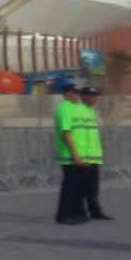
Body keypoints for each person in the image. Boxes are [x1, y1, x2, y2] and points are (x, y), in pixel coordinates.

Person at [53, 83, 92, 225]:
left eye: (78, 93)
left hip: (79, 154)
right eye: (75, 93)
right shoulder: (64, 109)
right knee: (69, 187)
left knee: (76, 187)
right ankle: (63, 215)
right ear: (67, 93)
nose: (77, 96)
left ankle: (74, 213)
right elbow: (65, 132)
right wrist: (74, 152)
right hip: (69, 155)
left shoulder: (74, 108)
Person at [78, 87, 112, 220]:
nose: (93, 98)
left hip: (94, 157)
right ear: (84, 96)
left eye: (94, 96)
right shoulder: (79, 111)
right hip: (84, 157)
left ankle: (95, 211)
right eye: (91, 96)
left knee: (93, 187)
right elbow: (79, 136)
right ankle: (82, 212)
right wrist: (81, 156)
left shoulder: (90, 111)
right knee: (83, 187)